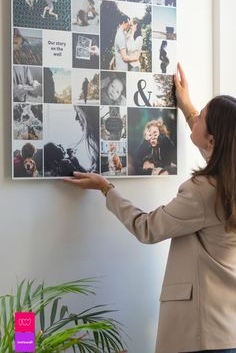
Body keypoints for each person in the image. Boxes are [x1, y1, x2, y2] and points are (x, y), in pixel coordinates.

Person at [64, 62, 236, 353]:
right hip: (227, 328)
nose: (196, 119)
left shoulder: (203, 192)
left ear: (212, 139)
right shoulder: (228, 176)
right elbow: (217, 145)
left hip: (200, 334)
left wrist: (106, 188)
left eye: (202, 118)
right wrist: (187, 107)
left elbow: (147, 228)